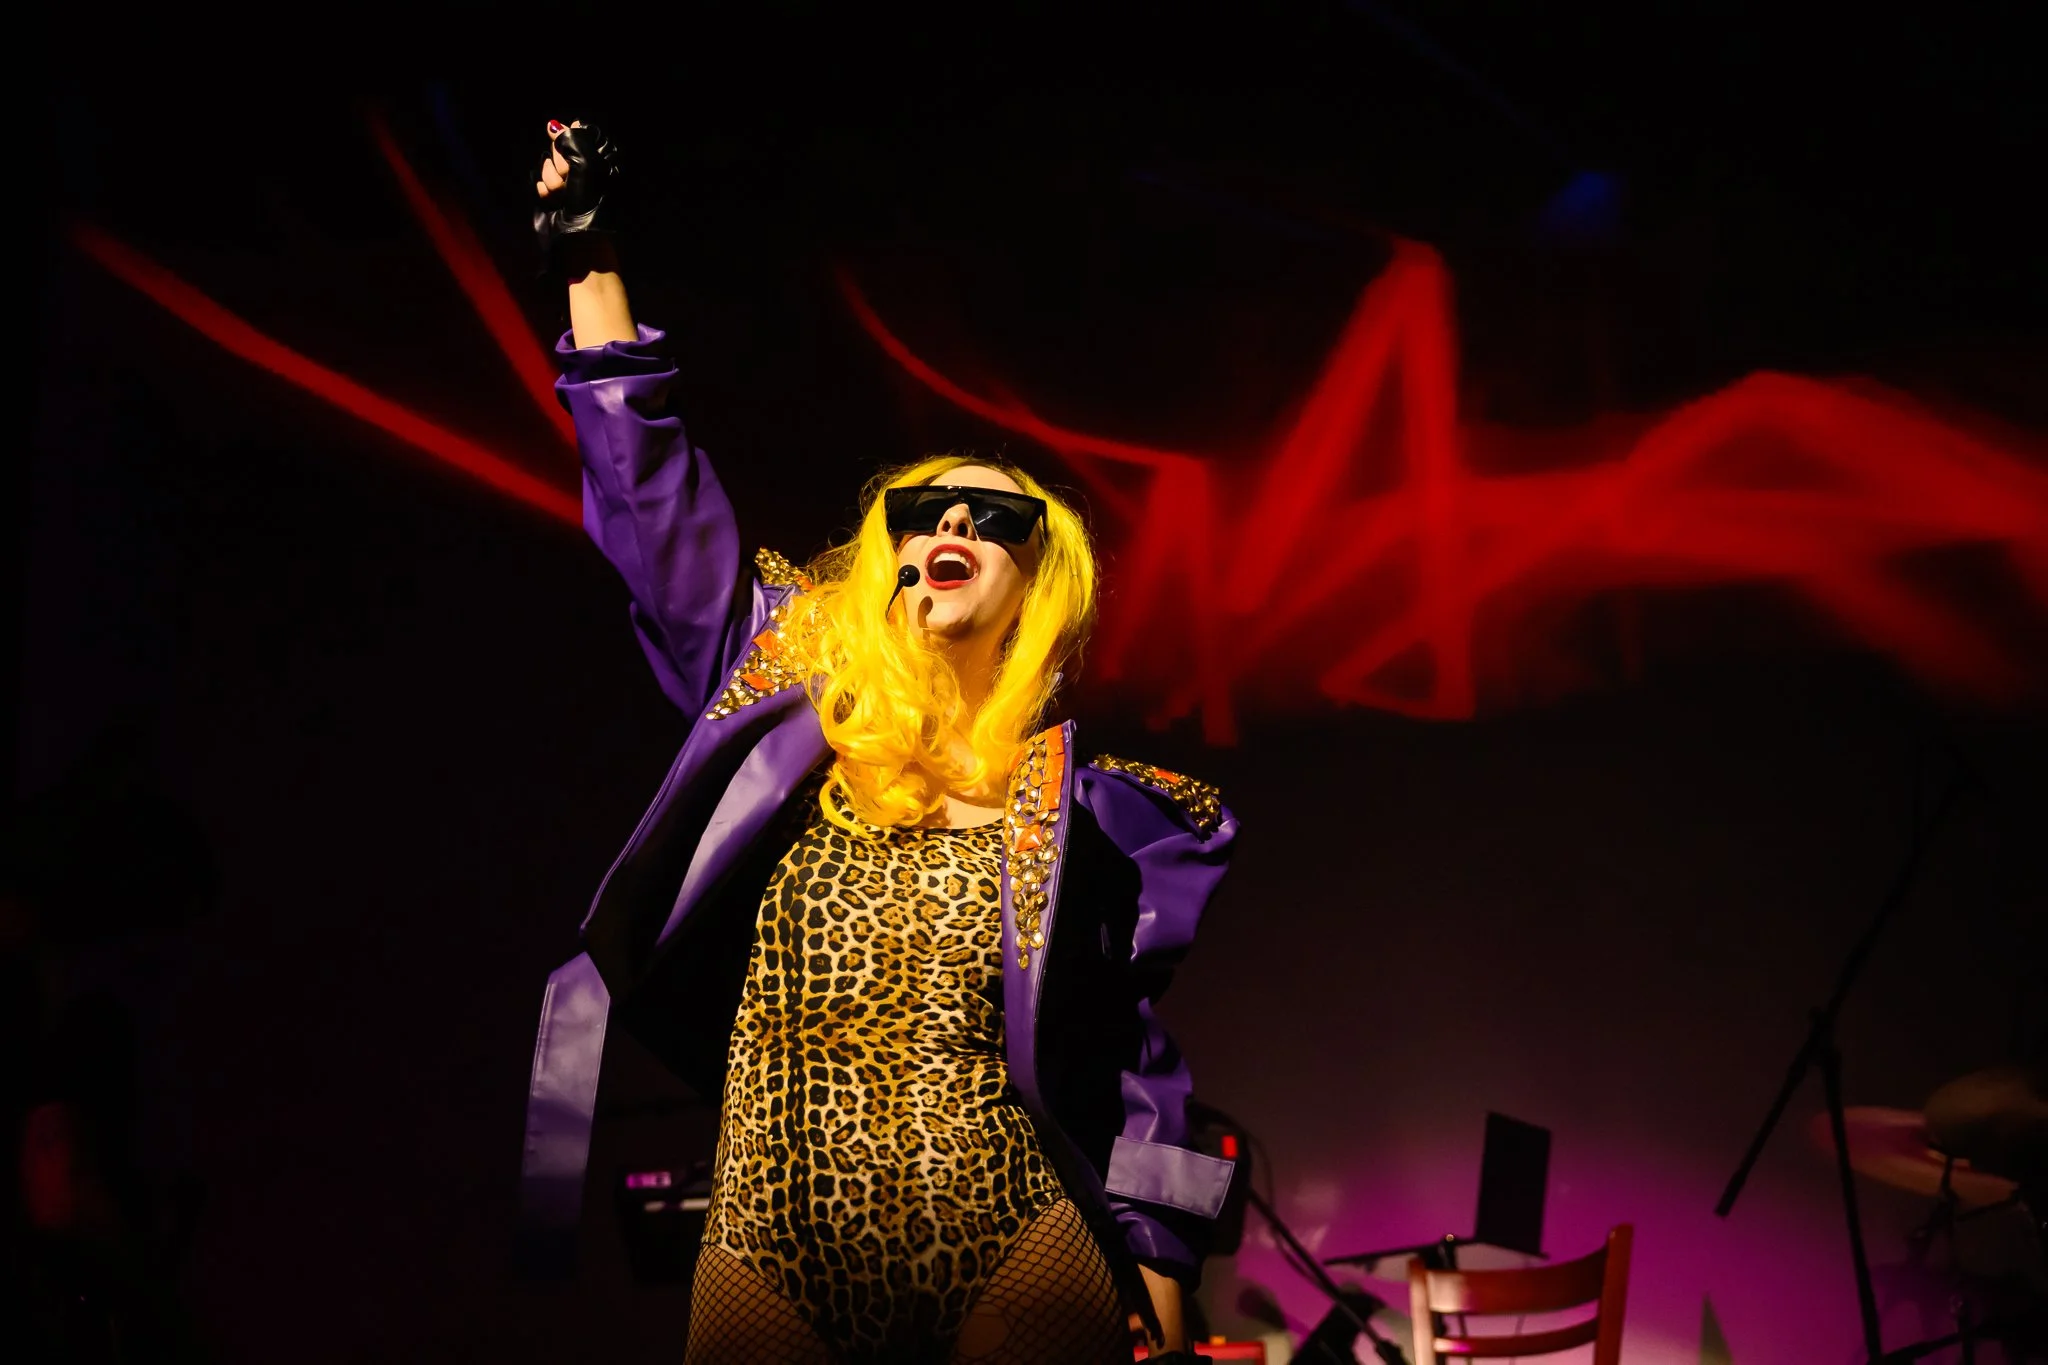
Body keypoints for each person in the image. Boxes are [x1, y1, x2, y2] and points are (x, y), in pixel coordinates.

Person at [522, 121, 1238, 1364]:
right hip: (770, 1243)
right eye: (923, 508)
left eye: (996, 518)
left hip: (1009, 1237)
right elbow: (649, 496)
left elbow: (1126, 1052)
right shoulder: (776, 697)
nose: (953, 519)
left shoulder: (1081, 810)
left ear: (1035, 586)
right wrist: (589, 255)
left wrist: (1162, 1270)